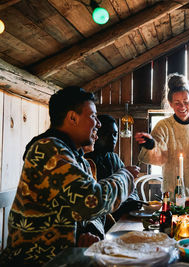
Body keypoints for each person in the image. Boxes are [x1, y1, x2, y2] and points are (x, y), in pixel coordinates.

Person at [0, 86, 136, 266]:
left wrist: (90, 229)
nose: (98, 124)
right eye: (93, 116)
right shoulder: (49, 150)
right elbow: (92, 200)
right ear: (72, 117)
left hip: (64, 256)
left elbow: (86, 210)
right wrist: (125, 175)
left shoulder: (75, 157)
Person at [85, 114, 141, 222]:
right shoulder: (87, 161)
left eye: (115, 134)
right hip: (99, 221)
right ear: (96, 134)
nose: (112, 139)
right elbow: (93, 202)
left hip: (119, 218)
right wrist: (121, 207)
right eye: (106, 134)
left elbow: (130, 186)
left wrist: (131, 200)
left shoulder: (114, 158)